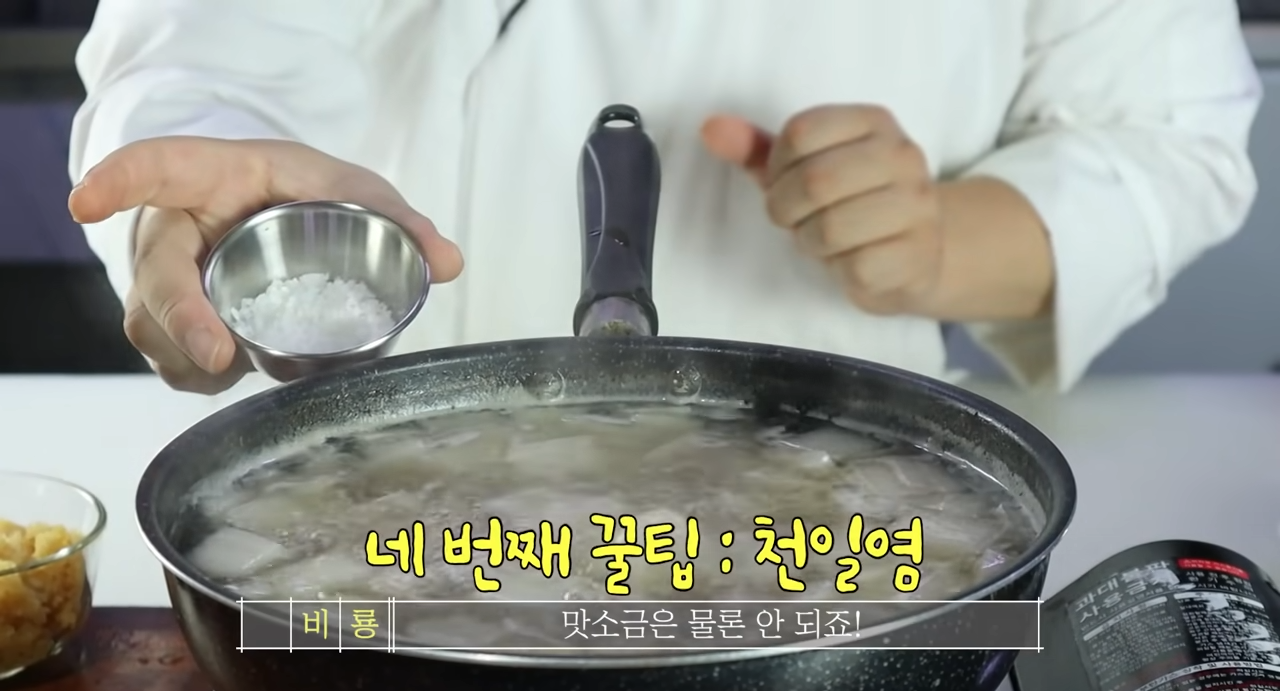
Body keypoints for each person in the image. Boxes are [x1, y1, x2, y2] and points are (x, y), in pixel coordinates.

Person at [67, 0, 1260, 396]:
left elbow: (1172, 135)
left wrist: (944, 241)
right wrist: (203, 168)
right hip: (393, 482)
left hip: (838, 503)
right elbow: (206, 40)